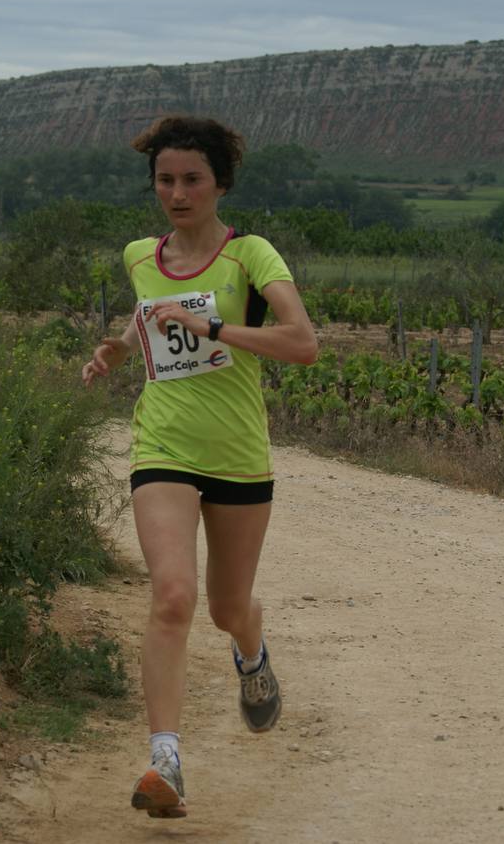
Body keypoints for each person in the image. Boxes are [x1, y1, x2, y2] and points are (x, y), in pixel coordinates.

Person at [82, 115, 318, 819]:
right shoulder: (139, 254)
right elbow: (149, 315)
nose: (177, 194)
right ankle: (166, 762)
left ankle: (252, 649)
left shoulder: (251, 257)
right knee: (173, 596)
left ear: (220, 184)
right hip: (164, 448)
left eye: (192, 180)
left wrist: (216, 328)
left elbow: (302, 343)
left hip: (239, 458)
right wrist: (117, 350)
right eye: (165, 180)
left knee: (225, 607)